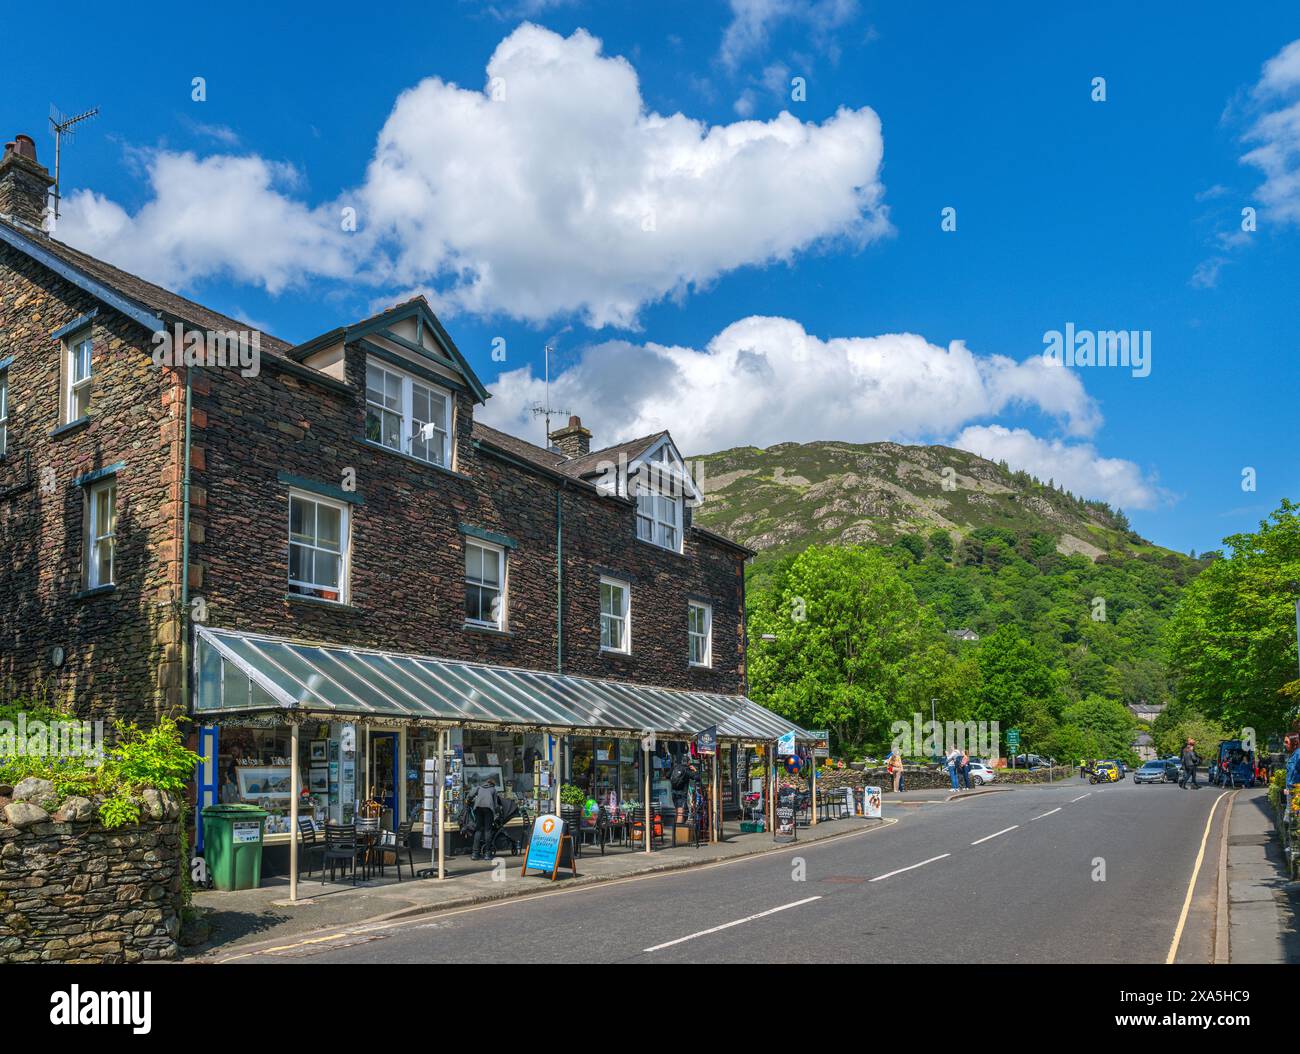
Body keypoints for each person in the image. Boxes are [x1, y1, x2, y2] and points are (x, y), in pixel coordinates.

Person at [470, 776, 501, 860]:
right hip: (488, 809)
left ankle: (475, 853)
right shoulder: (493, 790)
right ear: (492, 784)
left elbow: (470, 795)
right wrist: (497, 813)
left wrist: (468, 800)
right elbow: (495, 804)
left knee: (478, 830)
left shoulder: (479, 787)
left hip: (478, 809)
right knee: (488, 830)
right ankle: (487, 853)